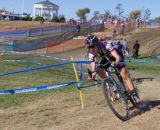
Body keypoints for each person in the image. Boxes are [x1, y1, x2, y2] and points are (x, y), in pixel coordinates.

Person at [85, 35, 140, 104]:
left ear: (97, 44)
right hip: (105, 58)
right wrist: (93, 74)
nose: (91, 49)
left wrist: (116, 63)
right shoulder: (91, 53)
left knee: (123, 73)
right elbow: (93, 66)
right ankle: (111, 82)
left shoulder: (105, 45)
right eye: (89, 47)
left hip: (115, 56)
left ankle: (134, 93)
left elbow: (117, 57)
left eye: (92, 46)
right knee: (98, 70)